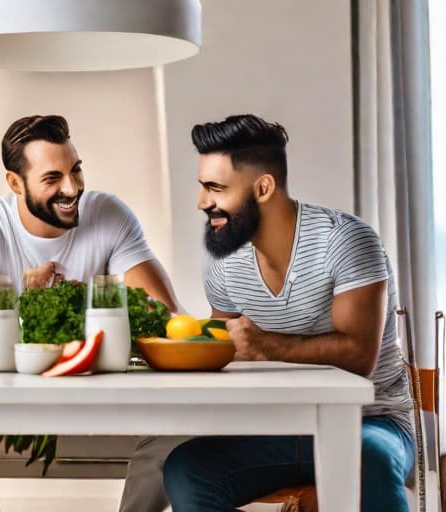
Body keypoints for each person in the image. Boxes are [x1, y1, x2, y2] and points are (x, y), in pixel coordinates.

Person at [0, 114, 186, 512]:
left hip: (100, 398)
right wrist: (17, 290)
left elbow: (162, 309)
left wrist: (76, 298)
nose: (72, 188)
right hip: (7, 404)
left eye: (76, 170)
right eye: (52, 178)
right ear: (14, 183)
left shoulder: (108, 213)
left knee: (178, 429)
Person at [162, 114, 414, 511]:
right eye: (202, 186)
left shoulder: (345, 241)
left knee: (368, 456)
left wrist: (265, 347)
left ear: (263, 187)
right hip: (274, 430)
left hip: (370, 423)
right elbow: (225, 354)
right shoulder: (225, 264)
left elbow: (359, 358)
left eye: (215, 188)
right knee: (185, 468)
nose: (202, 202)